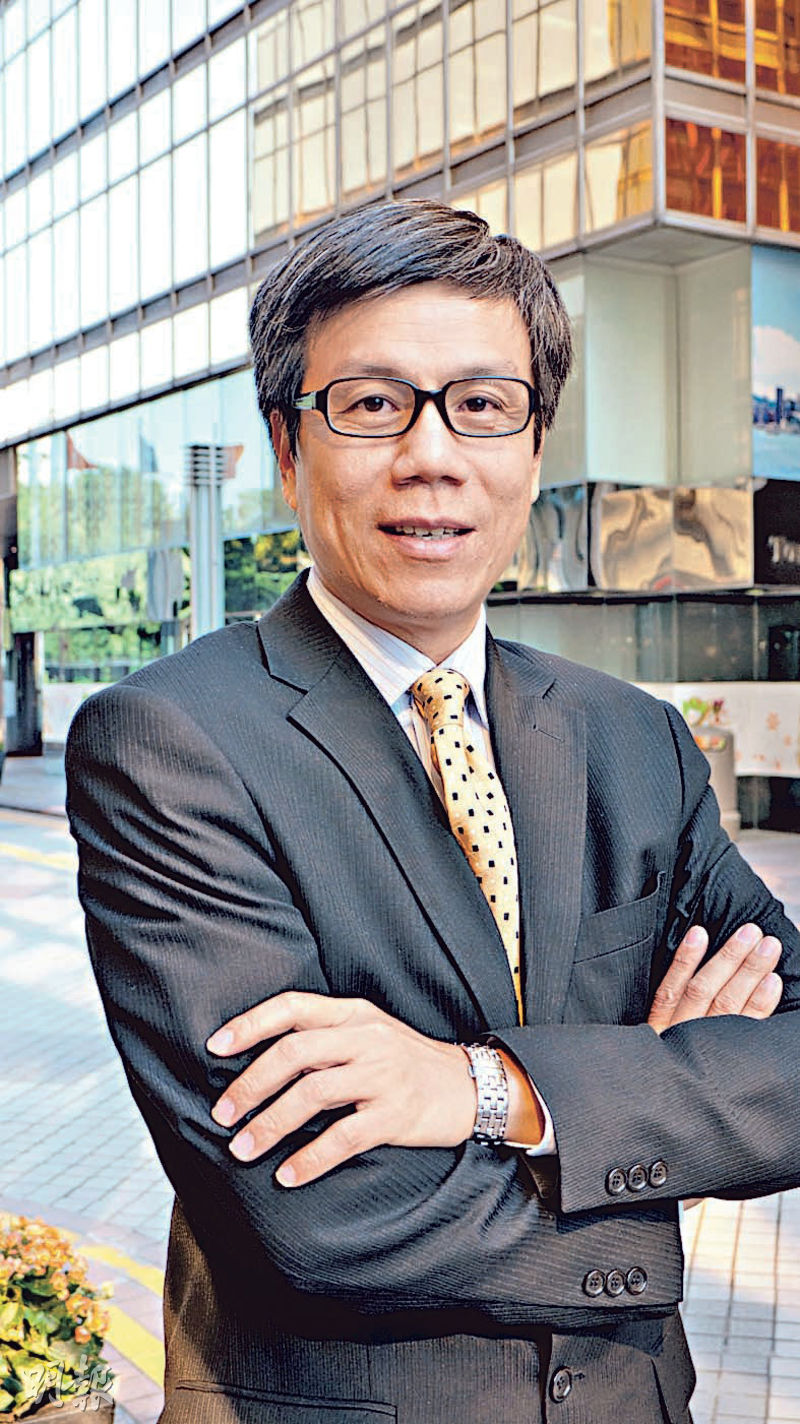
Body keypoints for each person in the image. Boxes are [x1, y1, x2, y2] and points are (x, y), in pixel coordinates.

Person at [66, 200, 800, 1424]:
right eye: (371, 403)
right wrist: (659, 1119)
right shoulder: (170, 741)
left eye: (482, 404)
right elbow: (314, 1215)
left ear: (533, 442)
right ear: (287, 446)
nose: (432, 455)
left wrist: (486, 1088)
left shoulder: (634, 739)